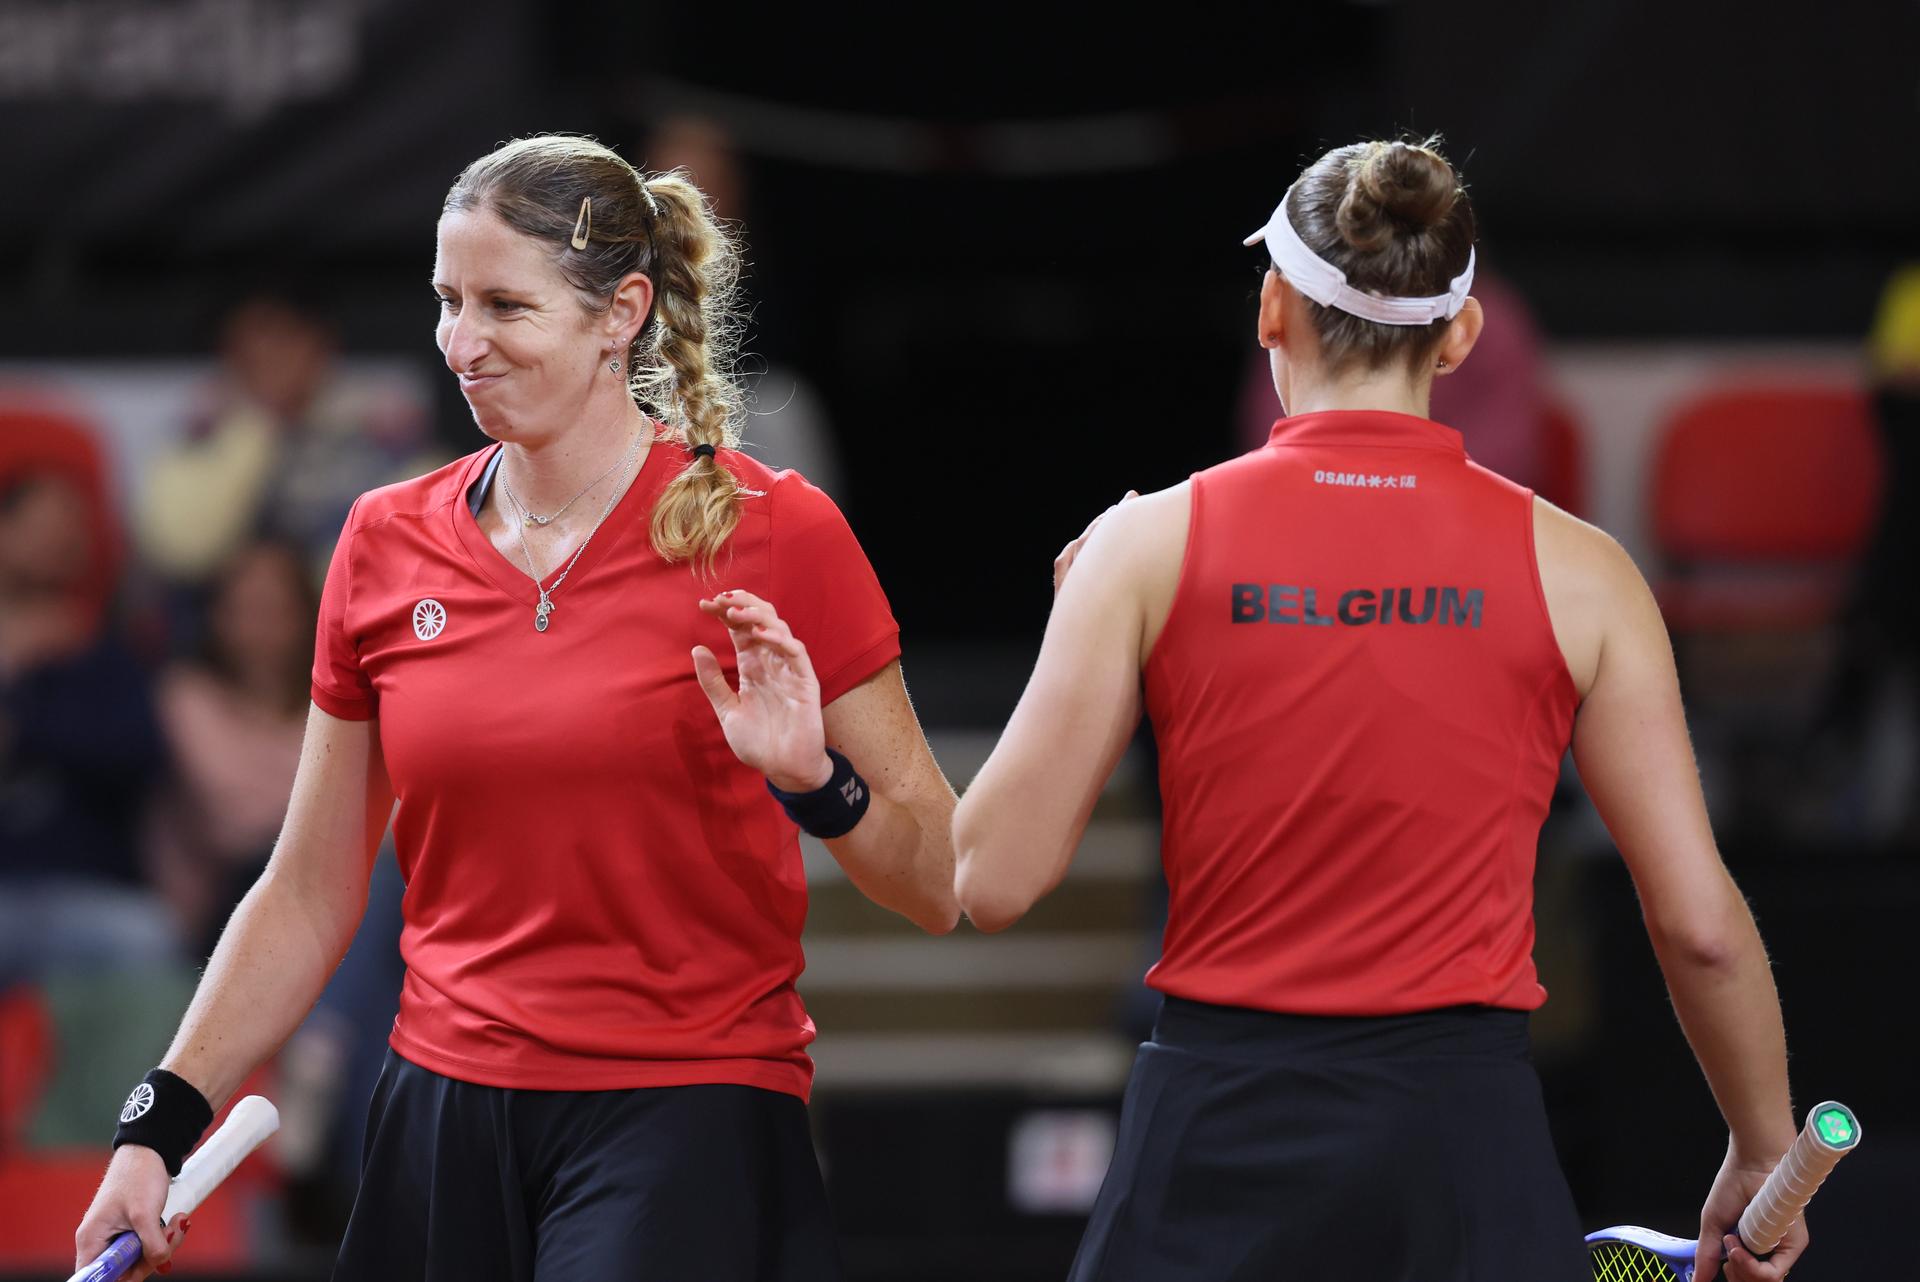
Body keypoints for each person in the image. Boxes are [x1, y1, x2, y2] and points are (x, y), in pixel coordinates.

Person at [75, 132, 958, 1282]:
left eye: (504, 306)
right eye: (447, 301)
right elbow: (307, 889)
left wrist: (816, 784)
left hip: (683, 1110)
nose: (460, 344)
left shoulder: (777, 529)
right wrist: (156, 1125)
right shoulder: (381, 541)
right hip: (440, 1115)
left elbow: (939, 876)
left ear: (620, 312)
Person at [953, 138, 1804, 1282]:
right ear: (1460, 332)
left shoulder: (1143, 546)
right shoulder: (1586, 573)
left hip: (1211, 1141)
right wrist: (1761, 1146)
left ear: (1270, 309)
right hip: (1462, 1153)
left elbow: (990, 877)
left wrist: (1081, 624)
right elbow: (1698, 925)